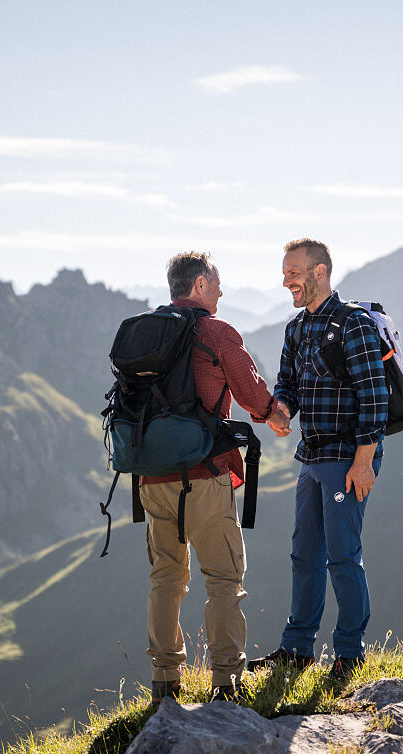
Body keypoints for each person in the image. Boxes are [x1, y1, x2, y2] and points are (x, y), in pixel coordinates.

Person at [141, 251, 292, 703]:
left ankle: (164, 681)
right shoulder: (216, 332)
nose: (223, 292)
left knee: (166, 578)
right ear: (201, 285)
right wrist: (277, 415)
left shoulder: (146, 332)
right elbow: (250, 392)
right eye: (218, 283)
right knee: (224, 578)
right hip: (205, 475)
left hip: (151, 478)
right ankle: (226, 682)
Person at [249, 237, 390, 683]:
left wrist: (364, 461)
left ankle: (350, 654)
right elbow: (287, 384)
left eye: (293, 272)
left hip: (348, 457)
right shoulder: (295, 329)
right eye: (285, 272)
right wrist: (282, 410)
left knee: (343, 556)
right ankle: (297, 649)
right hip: (311, 455)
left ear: (320, 272)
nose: (286, 280)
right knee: (304, 554)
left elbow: (375, 395)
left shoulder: (354, 325)